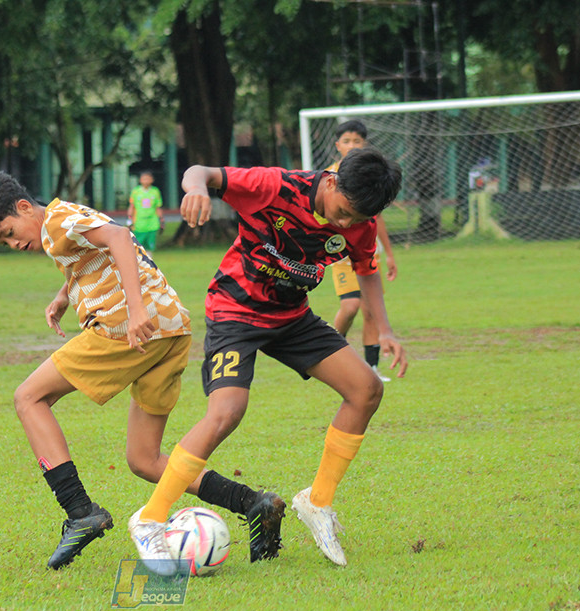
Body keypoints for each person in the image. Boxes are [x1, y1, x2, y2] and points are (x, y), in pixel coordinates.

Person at [0, 171, 284, 570]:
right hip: (171, 329)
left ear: (24, 207)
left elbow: (119, 238)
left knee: (28, 397)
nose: (13, 243)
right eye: (3, 243)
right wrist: (65, 294)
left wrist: (135, 310)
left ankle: (79, 511)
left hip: (128, 331)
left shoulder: (57, 221)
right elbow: (93, 249)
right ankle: (252, 503)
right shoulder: (61, 220)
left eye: (8, 232)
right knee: (144, 459)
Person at [127, 147, 407, 575]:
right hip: (235, 309)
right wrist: (197, 189)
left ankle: (317, 501)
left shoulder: (360, 223)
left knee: (367, 389)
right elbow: (200, 168)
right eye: (344, 212)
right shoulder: (275, 186)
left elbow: (366, 271)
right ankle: (150, 518)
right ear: (331, 182)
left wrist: (384, 329)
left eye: (357, 219)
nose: (345, 224)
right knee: (227, 412)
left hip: (292, 317)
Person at [327, 120, 398, 382]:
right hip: (340, 255)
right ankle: (328, 353)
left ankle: (372, 369)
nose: (352, 146)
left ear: (364, 144)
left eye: (357, 141)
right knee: (350, 306)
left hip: (368, 252)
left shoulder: (372, 177)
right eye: (347, 141)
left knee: (369, 311)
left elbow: (376, 220)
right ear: (338, 145)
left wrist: (389, 254)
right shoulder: (330, 176)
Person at [126, 171, 165, 253]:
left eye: (148, 178)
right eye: (144, 179)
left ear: (152, 180)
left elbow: (158, 206)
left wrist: (161, 220)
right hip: (139, 222)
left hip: (152, 222)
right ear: (140, 180)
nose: (146, 181)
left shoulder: (155, 191)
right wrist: (129, 219)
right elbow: (132, 206)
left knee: (150, 245)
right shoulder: (136, 191)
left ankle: (149, 261)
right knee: (138, 244)